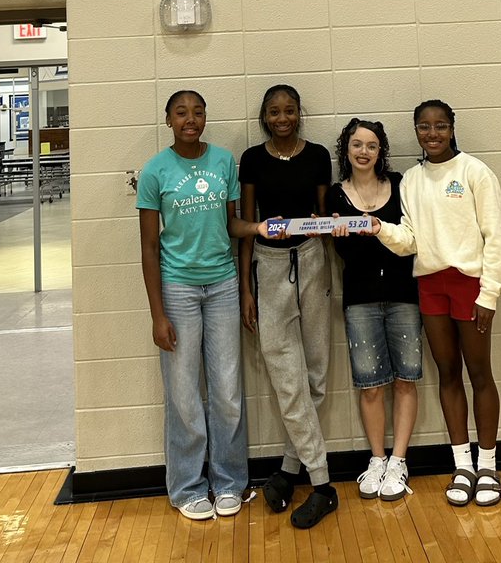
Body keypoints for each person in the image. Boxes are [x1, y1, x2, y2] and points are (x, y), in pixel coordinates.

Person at [137, 89, 275, 521]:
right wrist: (158, 314)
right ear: (168, 120)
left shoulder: (223, 163)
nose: (190, 119)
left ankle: (231, 482)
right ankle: (187, 486)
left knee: (228, 390)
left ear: (205, 118)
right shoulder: (155, 171)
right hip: (177, 289)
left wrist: (256, 227)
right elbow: (147, 248)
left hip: (222, 285)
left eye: (197, 112)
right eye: (181, 112)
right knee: (183, 394)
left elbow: (232, 224)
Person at [371, 100, 501, 508]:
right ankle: (462, 465)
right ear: (415, 131)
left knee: (479, 373)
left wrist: (489, 292)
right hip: (430, 284)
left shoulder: (475, 172)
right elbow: (411, 239)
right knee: (447, 374)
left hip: (470, 284)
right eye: (424, 127)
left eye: (440, 126)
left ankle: (489, 466)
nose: (432, 134)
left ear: (452, 128)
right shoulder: (411, 180)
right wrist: (378, 228)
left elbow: (495, 237)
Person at [239, 84, 338, 529]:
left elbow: (321, 214)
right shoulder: (251, 159)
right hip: (270, 266)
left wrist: (319, 226)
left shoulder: (318, 155)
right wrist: (246, 287)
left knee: (314, 377)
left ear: (299, 113)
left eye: (290, 110)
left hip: (313, 263)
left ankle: (288, 469)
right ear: (265, 116)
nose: (282, 117)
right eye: (274, 111)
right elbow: (243, 224)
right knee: (286, 377)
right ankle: (323, 484)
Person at [327, 118, 422, 501]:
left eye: (371, 145)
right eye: (356, 145)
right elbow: (347, 254)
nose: (363, 152)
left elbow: (412, 239)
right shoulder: (336, 196)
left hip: (404, 295)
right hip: (360, 299)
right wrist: (339, 233)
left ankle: (399, 460)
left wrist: (377, 227)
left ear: (380, 151)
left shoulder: (401, 185)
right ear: (345, 151)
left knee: (406, 379)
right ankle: (378, 459)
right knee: (370, 385)